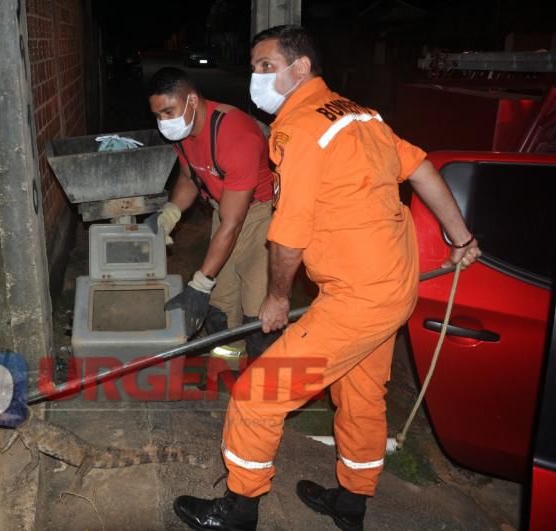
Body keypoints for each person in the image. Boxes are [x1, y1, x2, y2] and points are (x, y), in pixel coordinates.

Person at [172, 26, 482, 531]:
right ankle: (351, 503)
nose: (256, 76)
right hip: (393, 288)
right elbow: (421, 167)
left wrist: (275, 297)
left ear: (301, 68)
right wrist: (460, 239)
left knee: (258, 396)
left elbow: (288, 234)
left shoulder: (299, 131)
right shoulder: (360, 114)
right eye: (254, 67)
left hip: (358, 297)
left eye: (265, 66)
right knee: (360, 395)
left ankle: (238, 509)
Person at [147, 67, 279, 359]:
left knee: (256, 303)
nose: (164, 122)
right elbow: (189, 177)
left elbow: (234, 223)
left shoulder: (235, 135)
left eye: (169, 111)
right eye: (158, 116)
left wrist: (199, 283)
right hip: (225, 207)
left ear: (192, 100)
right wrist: (170, 212)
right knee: (221, 297)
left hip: (262, 216)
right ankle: (228, 359)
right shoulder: (184, 133)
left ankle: (262, 373)